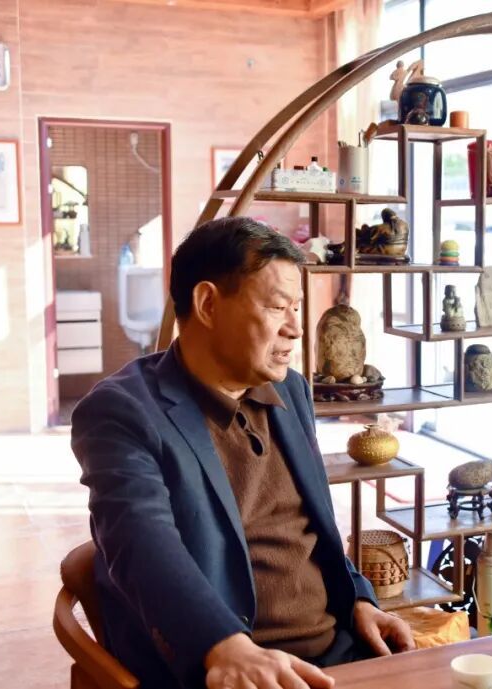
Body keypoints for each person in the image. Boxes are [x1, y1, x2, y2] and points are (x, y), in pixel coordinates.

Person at [72, 217, 414, 689]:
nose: (296, 329)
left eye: (297, 308)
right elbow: (141, 545)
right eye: (278, 307)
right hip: (235, 668)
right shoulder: (122, 412)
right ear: (208, 304)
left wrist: (358, 598)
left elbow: (311, 525)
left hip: (338, 654)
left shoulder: (290, 390)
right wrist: (222, 644)